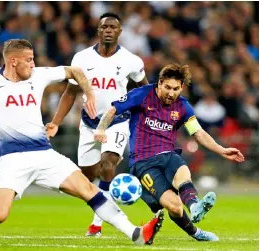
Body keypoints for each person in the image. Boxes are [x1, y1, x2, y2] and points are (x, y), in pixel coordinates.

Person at [0, 39, 163, 245]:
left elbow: (76, 71)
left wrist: (89, 93)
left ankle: (136, 233)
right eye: (29, 60)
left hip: (45, 155)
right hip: (12, 161)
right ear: (13, 61)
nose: (34, 64)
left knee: (89, 190)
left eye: (34, 59)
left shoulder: (39, 75)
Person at [93, 63, 245, 241]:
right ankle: (195, 232)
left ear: (181, 87)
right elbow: (113, 109)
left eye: (175, 89)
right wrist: (100, 129)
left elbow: (198, 133)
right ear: (159, 83)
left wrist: (222, 150)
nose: (171, 93)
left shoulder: (183, 106)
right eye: (167, 87)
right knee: (175, 206)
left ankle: (195, 206)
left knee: (182, 173)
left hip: (168, 155)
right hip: (143, 163)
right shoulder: (142, 94)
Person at [45, 12, 149, 237]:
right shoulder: (81, 59)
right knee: (87, 177)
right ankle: (89, 194)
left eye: (113, 27)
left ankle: (97, 224)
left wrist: (145, 120)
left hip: (117, 122)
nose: (109, 30)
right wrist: (55, 122)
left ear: (120, 32)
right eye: (105, 27)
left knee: (108, 164)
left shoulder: (131, 60)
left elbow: (144, 90)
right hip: (89, 124)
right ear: (98, 31)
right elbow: (70, 93)